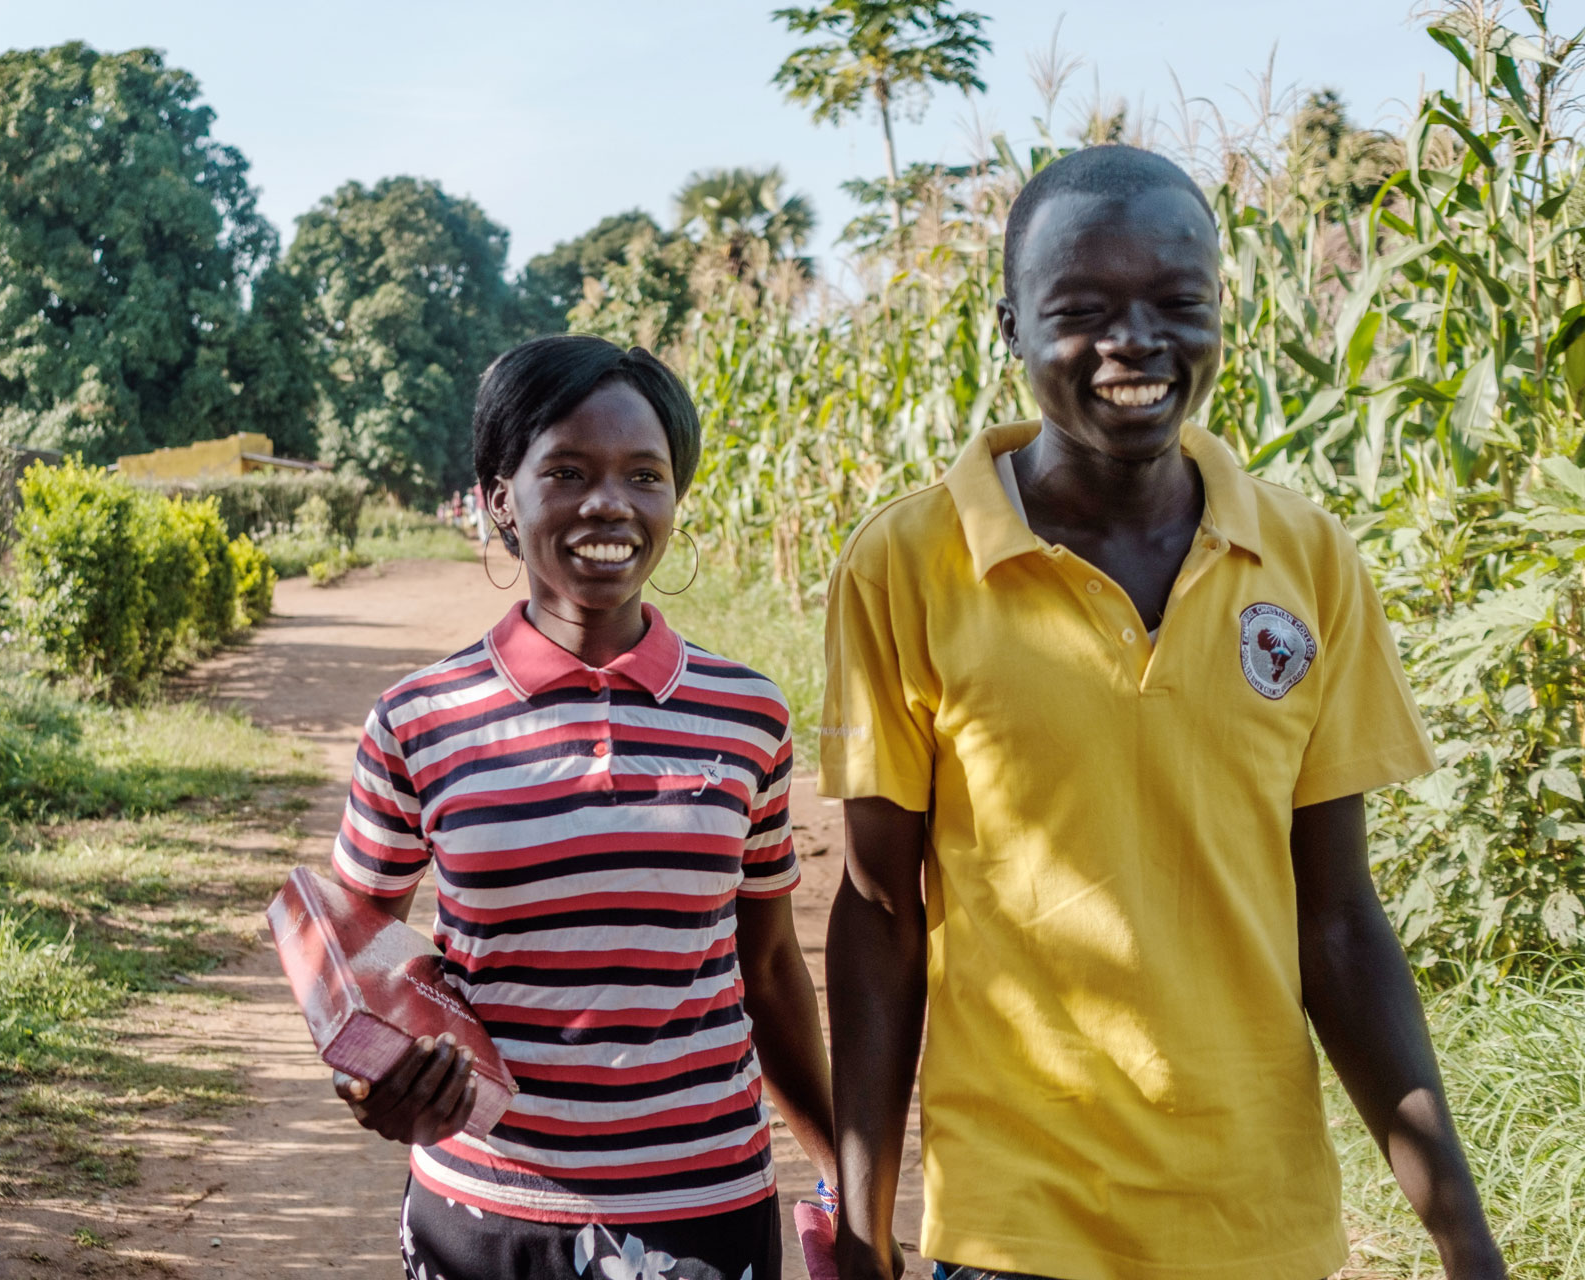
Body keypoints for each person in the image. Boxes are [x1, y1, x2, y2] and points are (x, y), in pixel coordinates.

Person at [819, 145, 1505, 1280]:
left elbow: (1335, 919)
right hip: (1017, 1223)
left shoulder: (1306, 556)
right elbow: (882, 910)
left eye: (1176, 303)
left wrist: (1462, 1234)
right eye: (1082, 308)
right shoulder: (907, 564)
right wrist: (862, 1224)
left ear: (1219, 312)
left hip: (1257, 1221)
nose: (1134, 341)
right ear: (1010, 324)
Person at [331, 334, 838, 1280]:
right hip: (484, 1206)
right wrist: (374, 1076)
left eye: (644, 475)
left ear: (674, 500)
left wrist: (844, 1173)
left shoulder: (747, 716)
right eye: (565, 470)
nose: (609, 502)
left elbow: (767, 970)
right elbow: (358, 955)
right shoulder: (418, 721)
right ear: (499, 500)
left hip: (706, 1205)